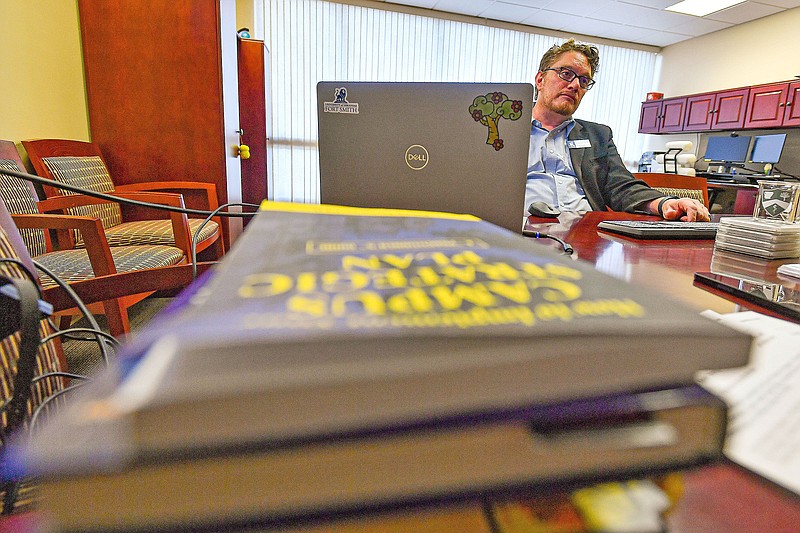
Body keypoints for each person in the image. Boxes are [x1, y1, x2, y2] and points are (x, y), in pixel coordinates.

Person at [526, 39, 710, 222]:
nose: (575, 85)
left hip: (585, 232)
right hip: (519, 231)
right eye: (566, 73)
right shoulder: (503, 129)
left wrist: (664, 203)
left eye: (583, 80)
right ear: (540, 80)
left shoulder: (598, 135)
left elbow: (621, 186)